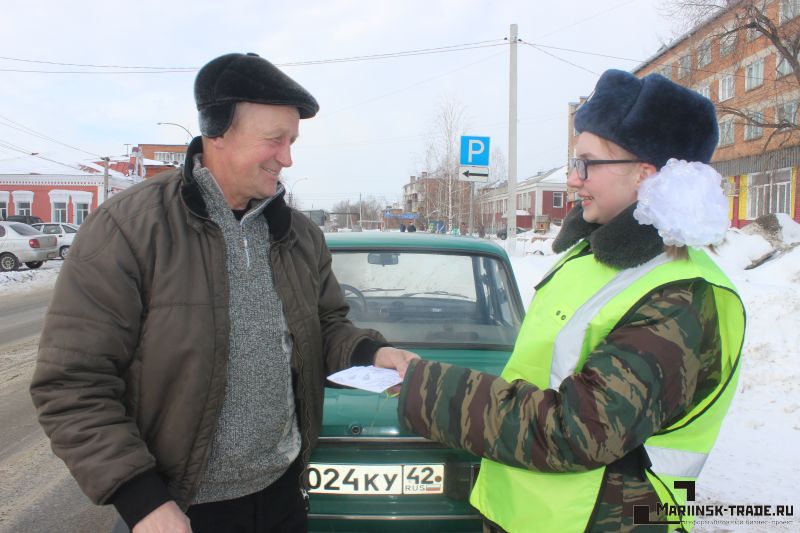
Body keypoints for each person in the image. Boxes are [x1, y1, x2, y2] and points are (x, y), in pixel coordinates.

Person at [30, 52, 417, 533]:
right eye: (274, 140)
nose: (288, 158)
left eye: (292, 141)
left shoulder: (297, 234)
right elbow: (72, 383)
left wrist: (370, 352)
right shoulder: (128, 229)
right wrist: (143, 501)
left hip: (281, 498)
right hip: (178, 509)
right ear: (217, 133)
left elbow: (325, 326)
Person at [397, 69, 744, 532]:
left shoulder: (679, 295)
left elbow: (576, 431)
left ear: (644, 173)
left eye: (585, 163)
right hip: (528, 511)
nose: (572, 179)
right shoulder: (591, 256)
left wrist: (423, 382)